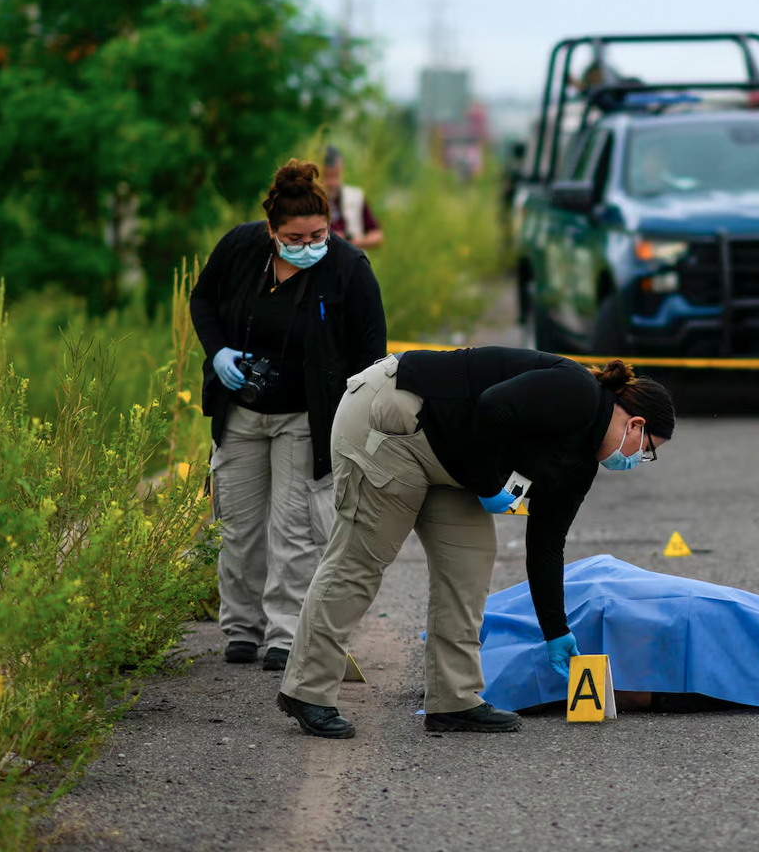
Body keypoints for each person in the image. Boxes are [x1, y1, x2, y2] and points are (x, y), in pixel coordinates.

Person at [276, 350, 675, 738]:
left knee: (470, 561)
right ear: (635, 425)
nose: (639, 459)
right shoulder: (578, 392)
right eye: (648, 450)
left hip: (452, 456)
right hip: (392, 418)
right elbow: (493, 406)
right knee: (360, 560)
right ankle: (306, 690)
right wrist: (488, 485)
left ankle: (453, 700)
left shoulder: (579, 466)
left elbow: (547, 544)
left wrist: (556, 630)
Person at [190, 160, 387, 672]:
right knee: (237, 525)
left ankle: (284, 634)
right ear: (272, 232)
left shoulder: (348, 268)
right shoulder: (240, 247)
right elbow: (203, 299)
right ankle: (240, 627)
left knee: (296, 530)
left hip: (307, 417)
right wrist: (218, 353)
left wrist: (358, 427)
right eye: (295, 238)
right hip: (241, 411)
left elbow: (372, 353)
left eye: (318, 235)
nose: (308, 246)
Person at [322, 146, 383, 249]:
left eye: (335, 176)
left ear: (341, 170)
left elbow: (377, 235)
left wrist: (356, 242)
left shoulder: (355, 196)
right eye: (326, 176)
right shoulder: (310, 200)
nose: (331, 182)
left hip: (352, 259)